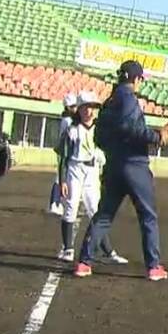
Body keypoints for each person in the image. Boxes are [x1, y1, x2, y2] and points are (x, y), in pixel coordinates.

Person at [73, 61, 168, 281]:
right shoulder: (129, 99)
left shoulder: (110, 101)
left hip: (113, 165)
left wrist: (115, 149)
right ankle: (153, 266)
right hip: (135, 165)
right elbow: (133, 129)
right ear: (136, 79)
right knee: (148, 216)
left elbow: (99, 137)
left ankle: (84, 262)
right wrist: (159, 137)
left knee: (104, 215)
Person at [55, 91, 126, 264]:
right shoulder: (71, 129)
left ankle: (108, 251)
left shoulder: (100, 128)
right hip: (75, 168)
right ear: (78, 109)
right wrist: (62, 179)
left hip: (92, 171)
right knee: (71, 206)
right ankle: (67, 249)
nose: (89, 111)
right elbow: (63, 156)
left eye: (92, 107)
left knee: (95, 209)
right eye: (85, 107)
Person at [47, 93, 79, 216]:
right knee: (60, 177)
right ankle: (54, 203)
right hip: (63, 151)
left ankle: (57, 202)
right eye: (73, 106)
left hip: (65, 150)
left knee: (65, 177)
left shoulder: (68, 118)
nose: (75, 108)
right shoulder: (68, 120)